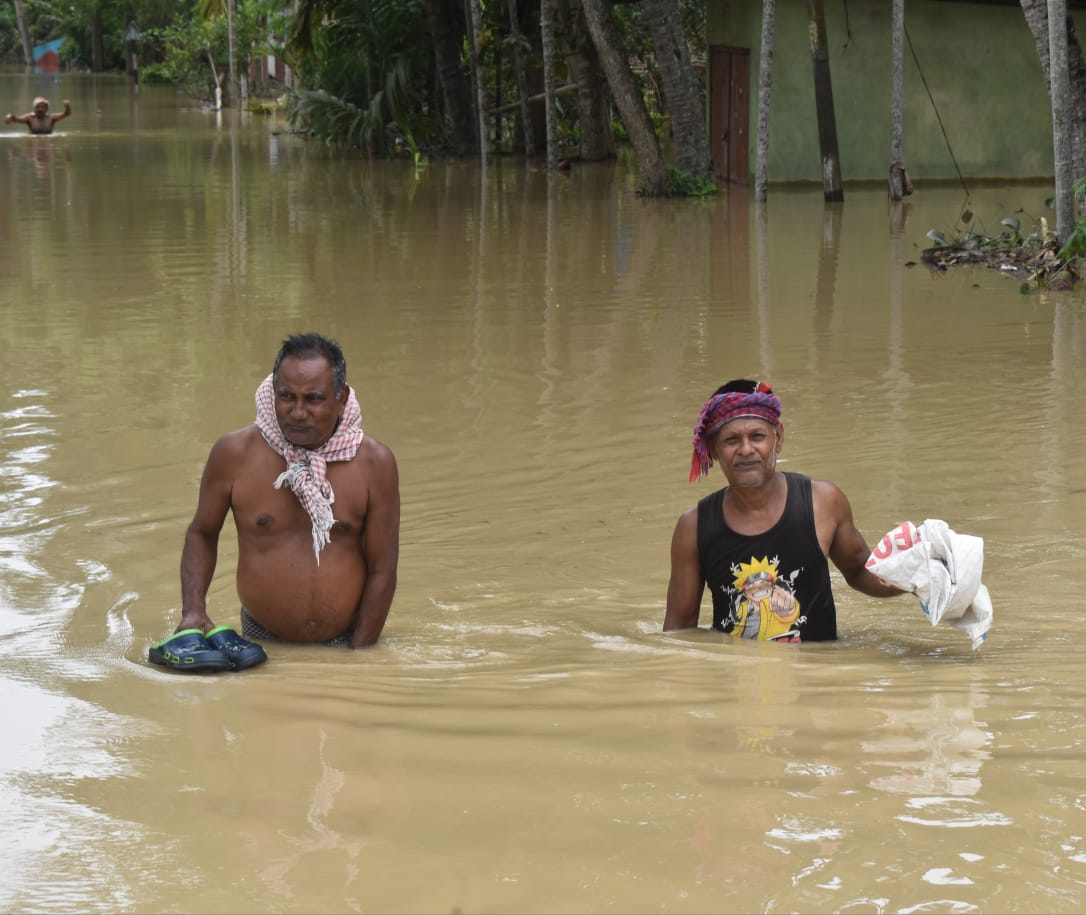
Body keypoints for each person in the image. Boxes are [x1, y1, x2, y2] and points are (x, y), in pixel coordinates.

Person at [150, 333, 400, 671]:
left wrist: (360, 660)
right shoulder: (234, 454)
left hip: (349, 641)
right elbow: (202, 533)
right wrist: (193, 612)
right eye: (286, 396)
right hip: (258, 646)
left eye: (313, 399)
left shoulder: (374, 463)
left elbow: (383, 569)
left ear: (341, 400)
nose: (298, 412)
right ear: (272, 392)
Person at [663, 379, 906, 642]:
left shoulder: (822, 502)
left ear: (778, 438)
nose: (746, 450)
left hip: (815, 675)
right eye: (731, 440)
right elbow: (680, 631)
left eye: (757, 436)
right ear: (713, 450)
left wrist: (917, 578)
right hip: (736, 677)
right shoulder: (694, 526)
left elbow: (860, 570)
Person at [5, 97, 71, 135]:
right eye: (37, 107)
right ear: (34, 108)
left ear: (46, 108)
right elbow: (17, 119)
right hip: (34, 143)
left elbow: (66, 114)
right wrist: (10, 116)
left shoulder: (51, 118)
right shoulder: (29, 118)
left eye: (42, 107)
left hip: (48, 143)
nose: (40, 109)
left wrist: (67, 106)